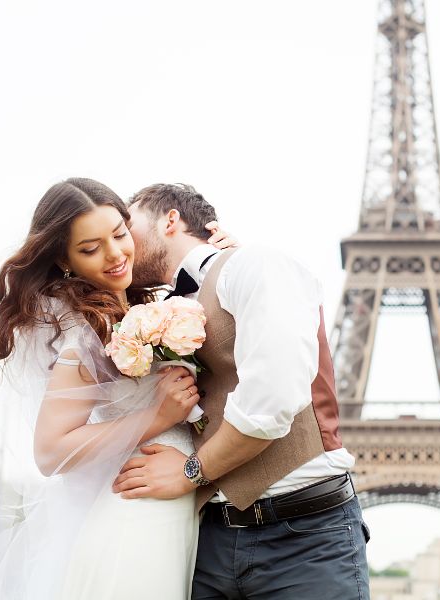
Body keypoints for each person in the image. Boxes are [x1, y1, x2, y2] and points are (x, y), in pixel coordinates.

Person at [0, 177, 236, 599]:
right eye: (90, 249)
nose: (114, 255)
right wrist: (156, 417)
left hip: (174, 505)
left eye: (119, 235)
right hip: (139, 509)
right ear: (64, 261)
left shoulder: (144, 306)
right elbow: (51, 451)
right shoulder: (83, 331)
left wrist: (222, 261)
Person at [113, 183, 371, 599]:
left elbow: (271, 400)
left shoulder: (254, 265)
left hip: (303, 538)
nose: (119, 242)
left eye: (126, 224)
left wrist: (189, 471)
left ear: (171, 219)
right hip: (206, 543)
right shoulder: (148, 316)